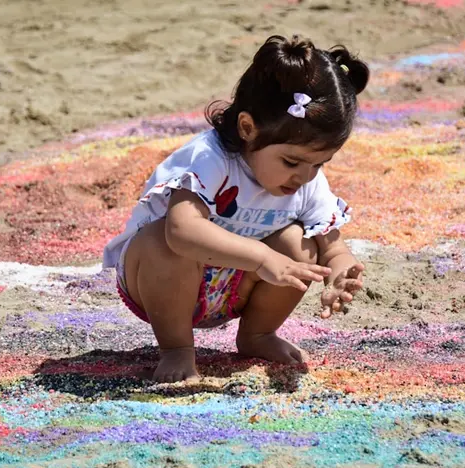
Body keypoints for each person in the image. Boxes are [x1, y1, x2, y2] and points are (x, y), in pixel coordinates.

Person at [103, 34, 370, 383]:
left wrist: (340, 271)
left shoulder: (304, 180)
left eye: (318, 165)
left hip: (233, 293)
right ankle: (177, 349)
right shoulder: (211, 158)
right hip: (159, 286)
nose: (304, 176)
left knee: (300, 244)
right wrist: (260, 257)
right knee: (161, 241)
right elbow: (182, 232)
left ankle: (257, 335)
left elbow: (332, 247)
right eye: (292, 161)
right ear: (247, 128)